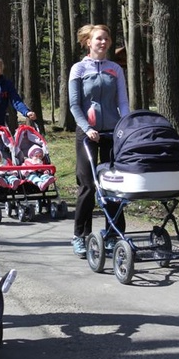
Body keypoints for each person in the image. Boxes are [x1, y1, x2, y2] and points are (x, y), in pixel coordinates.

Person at [69, 24, 130, 258]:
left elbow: (122, 101)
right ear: (88, 42)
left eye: (106, 39)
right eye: (98, 39)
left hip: (112, 132)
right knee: (88, 184)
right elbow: (75, 105)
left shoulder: (115, 69)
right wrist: (87, 128)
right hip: (87, 134)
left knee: (113, 184)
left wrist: (124, 125)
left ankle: (114, 234)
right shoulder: (79, 69)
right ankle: (80, 236)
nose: (102, 42)